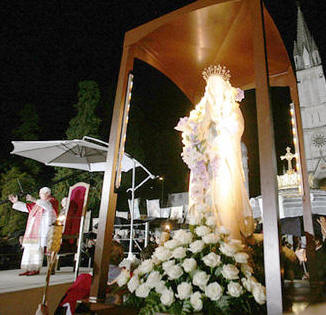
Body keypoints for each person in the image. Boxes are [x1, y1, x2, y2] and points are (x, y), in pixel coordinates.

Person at [175, 65, 254, 240]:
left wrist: (221, 133)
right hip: (204, 165)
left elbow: (237, 128)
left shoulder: (231, 108)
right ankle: (203, 239)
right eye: (210, 86)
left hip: (223, 162)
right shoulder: (201, 111)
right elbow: (194, 133)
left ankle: (228, 237)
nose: (214, 90)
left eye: (217, 85)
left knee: (224, 200)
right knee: (204, 200)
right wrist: (193, 140)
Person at [8, 187, 58, 276]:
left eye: (41, 193)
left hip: (41, 231)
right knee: (28, 249)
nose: (39, 195)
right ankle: (28, 268)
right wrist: (16, 202)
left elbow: (48, 207)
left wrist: (34, 200)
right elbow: (27, 208)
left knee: (36, 250)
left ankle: (35, 269)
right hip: (32, 231)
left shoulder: (52, 201)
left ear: (47, 194)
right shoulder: (38, 203)